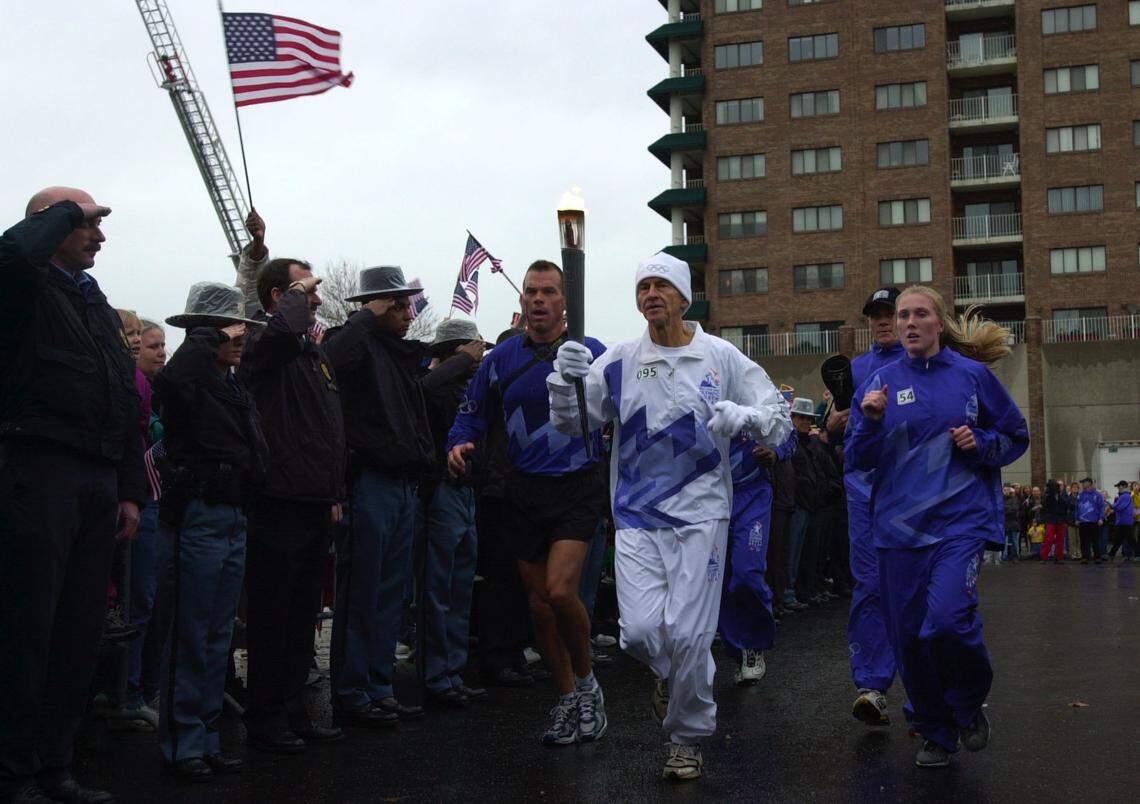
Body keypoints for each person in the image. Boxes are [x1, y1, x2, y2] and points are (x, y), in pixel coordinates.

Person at [548, 252, 791, 780]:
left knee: (687, 634)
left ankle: (686, 738)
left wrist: (745, 416)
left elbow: (778, 420)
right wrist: (562, 383)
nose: (651, 294)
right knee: (637, 633)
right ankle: (675, 678)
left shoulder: (721, 357)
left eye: (662, 286)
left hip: (702, 516)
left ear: (683, 297)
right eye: (643, 287)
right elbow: (574, 426)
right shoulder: (616, 361)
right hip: (636, 516)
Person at [0, 189, 146, 804]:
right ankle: (12, 775)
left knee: (78, 631)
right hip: (39, 471)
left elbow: (123, 402)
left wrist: (131, 491)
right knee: (28, 627)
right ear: (49, 223)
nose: (100, 236)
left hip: (97, 480)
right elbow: (10, 257)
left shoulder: (93, 303)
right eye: (87, 223)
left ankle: (56, 766)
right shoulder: (24, 286)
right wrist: (62, 211)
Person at [846, 287, 1028, 769]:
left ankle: (966, 705)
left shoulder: (971, 377)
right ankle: (936, 729)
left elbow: (1016, 435)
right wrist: (868, 421)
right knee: (909, 638)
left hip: (958, 524)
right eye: (902, 315)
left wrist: (983, 442)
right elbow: (855, 459)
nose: (908, 322)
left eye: (919, 313)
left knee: (947, 619)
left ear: (938, 323)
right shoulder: (878, 384)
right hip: (898, 530)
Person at [447, 260, 608, 747]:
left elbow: (622, 408)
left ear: (565, 301)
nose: (538, 299)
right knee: (539, 605)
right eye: (531, 292)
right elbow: (471, 414)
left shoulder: (593, 353)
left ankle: (588, 688)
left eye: (549, 292)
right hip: (524, 488)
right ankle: (566, 699)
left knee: (561, 592)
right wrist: (458, 443)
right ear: (522, 300)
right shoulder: (500, 359)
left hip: (578, 484)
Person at [324, 265, 480, 727]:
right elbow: (332, 357)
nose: (411, 313)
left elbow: (422, 384)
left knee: (390, 594)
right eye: (403, 305)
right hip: (370, 481)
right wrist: (365, 315)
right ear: (382, 305)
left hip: (405, 484)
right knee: (363, 591)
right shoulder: (353, 340)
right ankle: (352, 690)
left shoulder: (397, 353)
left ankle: (378, 684)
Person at [155, 282, 268, 781]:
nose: (240, 336)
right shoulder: (189, 376)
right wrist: (204, 334)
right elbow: (173, 382)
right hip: (199, 515)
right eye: (229, 328)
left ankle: (205, 734)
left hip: (233, 514)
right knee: (192, 632)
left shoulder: (231, 382)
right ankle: (183, 742)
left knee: (219, 634)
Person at [238, 250, 348, 752]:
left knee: (303, 615)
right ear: (279, 299)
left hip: (311, 498)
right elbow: (280, 335)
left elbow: (326, 427)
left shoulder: (311, 352)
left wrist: (332, 493)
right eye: (307, 290)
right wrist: (294, 307)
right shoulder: (264, 339)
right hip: (277, 499)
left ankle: (292, 711)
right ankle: (264, 717)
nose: (319, 298)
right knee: (273, 614)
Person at [419, 319, 486, 707]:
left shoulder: (466, 389)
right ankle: (435, 673)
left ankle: (453, 669)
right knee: (438, 586)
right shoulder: (428, 387)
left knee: (460, 586)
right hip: (440, 493)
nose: (478, 358)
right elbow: (423, 399)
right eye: (472, 351)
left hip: (465, 492)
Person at [719, 430, 795, 686]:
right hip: (714, 496)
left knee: (746, 572)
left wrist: (776, 452)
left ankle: (754, 644)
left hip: (753, 494)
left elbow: (788, 432)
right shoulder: (703, 392)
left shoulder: (759, 392)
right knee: (721, 581)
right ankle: (738, 651)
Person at [1075, 477, 1105, 564]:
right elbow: (1077, 507)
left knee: (1095, 540)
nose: (1082, 484)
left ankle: (1097, 557)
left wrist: (1101, 518)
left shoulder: (1097, 495)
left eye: (1084, 482)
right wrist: (1076, 518)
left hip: (1094, 521)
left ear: (1089, 483)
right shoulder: (1080, 495)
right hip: (1083, 522)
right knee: (1084, 541)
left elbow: (1102, 507)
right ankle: (1085, 557)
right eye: (1082, 483)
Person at [1107, 481, 1137, 563]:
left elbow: (1120, 506)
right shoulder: (1124, 496)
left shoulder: (1125, 496)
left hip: (1124, 521)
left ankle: (1111, 555)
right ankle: (1112, 555)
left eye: (1119, 486)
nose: (1118, 488)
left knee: (1126, 539)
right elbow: (1120, 507)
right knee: (1124, 539)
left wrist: (1111, 506)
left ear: (1124, 486)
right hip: (1123, 521)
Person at [1040, 480, 1067, 563]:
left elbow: (1065, 506)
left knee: (1060, 539)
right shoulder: (1048, 497)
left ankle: (1058, 557)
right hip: (1051, 519)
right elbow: (1045, 507)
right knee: (1048, 539)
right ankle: (1044, 557)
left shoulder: (1061, 496)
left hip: (1060, 520)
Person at [1002, 485, 1021, 563]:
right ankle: (1004, 556)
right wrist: (1008, 508)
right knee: (1004, 541)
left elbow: (1015, 509)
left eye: (1007, 490)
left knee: (1014, 541)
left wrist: (1005, 508)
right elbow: (1000, 510)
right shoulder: (1000, 499)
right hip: (1004, 523)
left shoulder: (1014, 499)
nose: (1006, 491)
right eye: (1005, 490)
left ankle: (1015, 556)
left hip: (1014, 523)